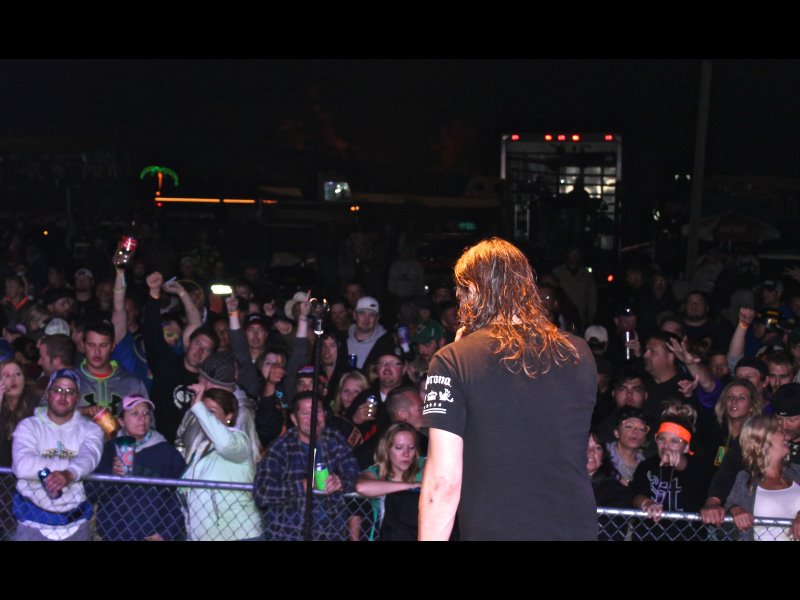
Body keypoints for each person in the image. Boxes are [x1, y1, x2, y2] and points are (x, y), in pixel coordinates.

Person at [419, 237, 597, 540]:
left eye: (463, 292)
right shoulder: (579, 353)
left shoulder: (452, 360)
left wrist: (460, 353)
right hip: (574, 529)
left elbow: (443, 483)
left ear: (474, 290)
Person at [11, 368, 105, 540]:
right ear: (48, 393)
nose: (63, 396)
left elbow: (90, 457)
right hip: (31, 523)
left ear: (77, 398)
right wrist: (70, 471)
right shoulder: (28, 426)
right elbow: (22, 466)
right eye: (58, 390)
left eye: (70, 391)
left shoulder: (91, 429)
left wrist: (68, 474)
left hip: (76, 525)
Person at [253, 392, 360, 541]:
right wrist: (304, 485)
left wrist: (341, 482)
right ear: (294, 419)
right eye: (305, 413)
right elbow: (262, 492)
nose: (313, 418)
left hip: (330, 534)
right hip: (289, 534)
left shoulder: (335, 440)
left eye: (318, 412)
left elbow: (355, 474)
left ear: (325, 414)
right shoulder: (281, 446)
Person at [91, 394, 186, 541]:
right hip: (112, 535)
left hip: (151, 537)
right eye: (135, 413)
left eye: (146, 413)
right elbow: (91, 492)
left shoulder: (168, 454)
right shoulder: (109, 450)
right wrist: (111, 474)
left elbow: (182, 498)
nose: (142, 418)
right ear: (121, 421)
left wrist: (166, 533)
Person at [181, 387, 263, 541]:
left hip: (237, 535)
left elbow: (225, 444)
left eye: (211, 412)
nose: (204, 416)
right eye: (202, 410)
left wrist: (198, 407)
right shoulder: (201, 446)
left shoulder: (239, 441)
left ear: (228, 416)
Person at [630, 403, 713, 541]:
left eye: (674, 441)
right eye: (661, 439)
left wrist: (679, 463)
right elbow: (636, 493)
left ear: (686, 447)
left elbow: (700, 482)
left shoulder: (699, 466)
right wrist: (647, 503)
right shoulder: (647, 465)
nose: (666, 445)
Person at [725, 414, 800, 541]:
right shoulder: (745, 479)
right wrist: (735, 511)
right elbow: (727, 510)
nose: (786, 436)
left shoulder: (797, 472)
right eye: (780, 431)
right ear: (763, 439)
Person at [356, 423, 426, 541]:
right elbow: (361, 487)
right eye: (399, 447)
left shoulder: (424, 465)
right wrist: (412, 486)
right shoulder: (377, 471)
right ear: (386, 449)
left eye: (411, 447)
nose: (406, 454)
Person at [588, 428, 632, 541]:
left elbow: (611, 532)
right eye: (585, 446)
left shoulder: (616, 492)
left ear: (602, 457)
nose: (591, 452)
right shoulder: (560, 486)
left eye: (598, 448)